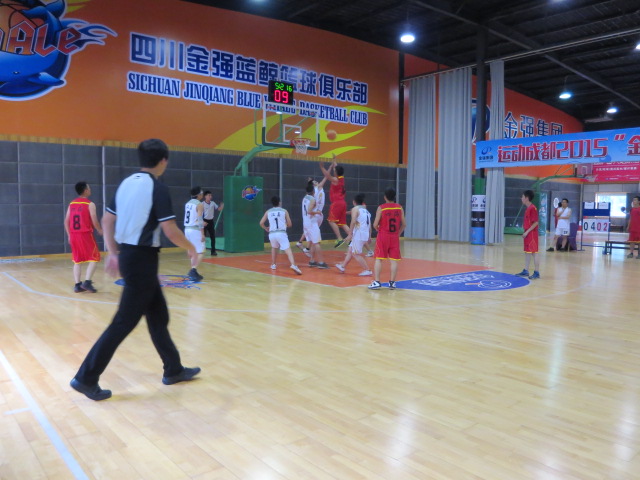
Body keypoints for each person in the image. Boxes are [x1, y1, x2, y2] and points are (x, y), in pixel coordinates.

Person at [70, 139, 200, 401]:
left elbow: (107, 220)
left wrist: (114, 253)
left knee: (158, 315)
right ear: (163, 161)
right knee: (123, 322)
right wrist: (192, 247)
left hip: (133, 258)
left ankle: (173, 369)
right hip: (142, 260)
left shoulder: (126, 183)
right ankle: (85, 377)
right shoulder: (158, 188)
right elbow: (170, 230)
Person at [64, 181, 103, 293]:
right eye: (89, 188)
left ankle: (77, 285)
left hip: (74, 235)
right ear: (85, 191)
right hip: (85, 234)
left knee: (77, 260)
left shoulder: (72, 204)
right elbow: (94, 220)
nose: (90, 190)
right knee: (95, 257)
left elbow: (66, 221)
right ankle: (87, 282)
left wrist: (69, 235)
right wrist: (99, 229)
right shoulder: (90, 204)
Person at [368, 188, 406, 290]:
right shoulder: (399, 208)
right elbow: (404, 224)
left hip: (383, 235)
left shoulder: (381, 208)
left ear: (385, 197)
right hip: (394, 236)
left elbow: (375, 224)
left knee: (379, 259)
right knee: (394, 260)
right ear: (394, 197)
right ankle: (392, 283)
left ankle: (377, 282)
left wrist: (379, 229)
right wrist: (398, 234)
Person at [259, 196, 302, 275]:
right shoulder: (284, 211)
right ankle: (293, 265)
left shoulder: (268, 211)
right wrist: (284, 225)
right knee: (288, 249)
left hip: (272, 234)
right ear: (279, 202)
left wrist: (266, 228)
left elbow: (261, 223)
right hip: (281, 233)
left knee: (274, 248)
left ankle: (273, 265)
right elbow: (290, 224)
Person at [336, 193, 372, 276]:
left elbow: (353, 221)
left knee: (355, 254)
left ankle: (368, 270)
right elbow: (369, 225)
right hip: (364, 233)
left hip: (359, 234)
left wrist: (350, 234)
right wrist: (369, 236)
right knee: (350, 250)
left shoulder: (355, 209)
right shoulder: (366, 211)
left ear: (354, 202)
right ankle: (342, 266)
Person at [319, 160, 351, 247]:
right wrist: (334, 162)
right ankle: (352, 239)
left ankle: (339, 239)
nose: (334, 171)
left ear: (336, 173)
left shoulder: (335, 180)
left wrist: (322, 167)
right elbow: (336, 169)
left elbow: (327, 176)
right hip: (343, 203)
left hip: (337, 203)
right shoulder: (342, 178)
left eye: (334, 171)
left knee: (331, 221)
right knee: (343, 223)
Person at [296, 176, 326, 256]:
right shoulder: (317, 191)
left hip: (307, 217)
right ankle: (313, 255)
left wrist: (311, 181)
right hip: (314, 215)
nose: (316, 182)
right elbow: (323, 180)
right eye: (315, 182)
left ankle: (301, 243)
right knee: (314, 236)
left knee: (308, 232)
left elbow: (312, 185)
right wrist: (327, 173)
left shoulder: (307, 196)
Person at [302, 180, 329, 268]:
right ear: (313, 191)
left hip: (306, 222)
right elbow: (309, 211)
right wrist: (317, 212)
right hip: (311, 222)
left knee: (313, 242)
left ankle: (312, 260)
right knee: (317, 242)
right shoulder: (313, 200)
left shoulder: (305, 198)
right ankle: (321, 262)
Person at [516, 190, 540, 279]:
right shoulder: (528, 208)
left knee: (534, 252)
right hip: (527, 233)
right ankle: (526, 270)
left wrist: (527, 232)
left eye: (522, 197)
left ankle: (537, 272)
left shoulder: (532, 208)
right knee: (527, 252)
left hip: (532, 234)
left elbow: (536, 222)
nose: (521, 198)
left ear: (527, 198)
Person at [184, 186, 205, 281]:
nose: (202, 195)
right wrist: (202, 233)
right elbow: (199, 220)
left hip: (187, 229)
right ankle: (193, 270)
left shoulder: (187, 203)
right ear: (198, 194)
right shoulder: (199, 204)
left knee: (192, 251)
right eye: (202, 193)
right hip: (194, 230)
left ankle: (193, 270)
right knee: (200, 251)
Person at [203, 190, 223, 256]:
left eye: (211, 195)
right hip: (204, 221)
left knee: (213, 237)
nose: (210, 196)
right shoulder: (202, 204)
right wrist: (202, 221)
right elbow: (199, 214)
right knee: (203, 237)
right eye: (209, 195)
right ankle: (201, 250)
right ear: (205, 196)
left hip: (211, 221)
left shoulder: (213, 203)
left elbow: (218, 209)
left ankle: (213, 251)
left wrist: (221, 207)